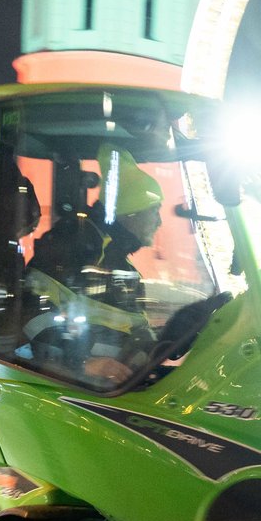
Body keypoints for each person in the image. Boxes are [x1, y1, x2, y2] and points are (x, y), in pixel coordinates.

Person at [21, 145, 165, 387]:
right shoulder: (76, 246)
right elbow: (31, 313)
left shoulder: (117, 260)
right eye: (154, 212)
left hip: (111, 380)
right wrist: (80, 363)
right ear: (130, 214)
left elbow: (132, 327)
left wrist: (169, 342)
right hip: (73, 383)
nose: (159, 221)